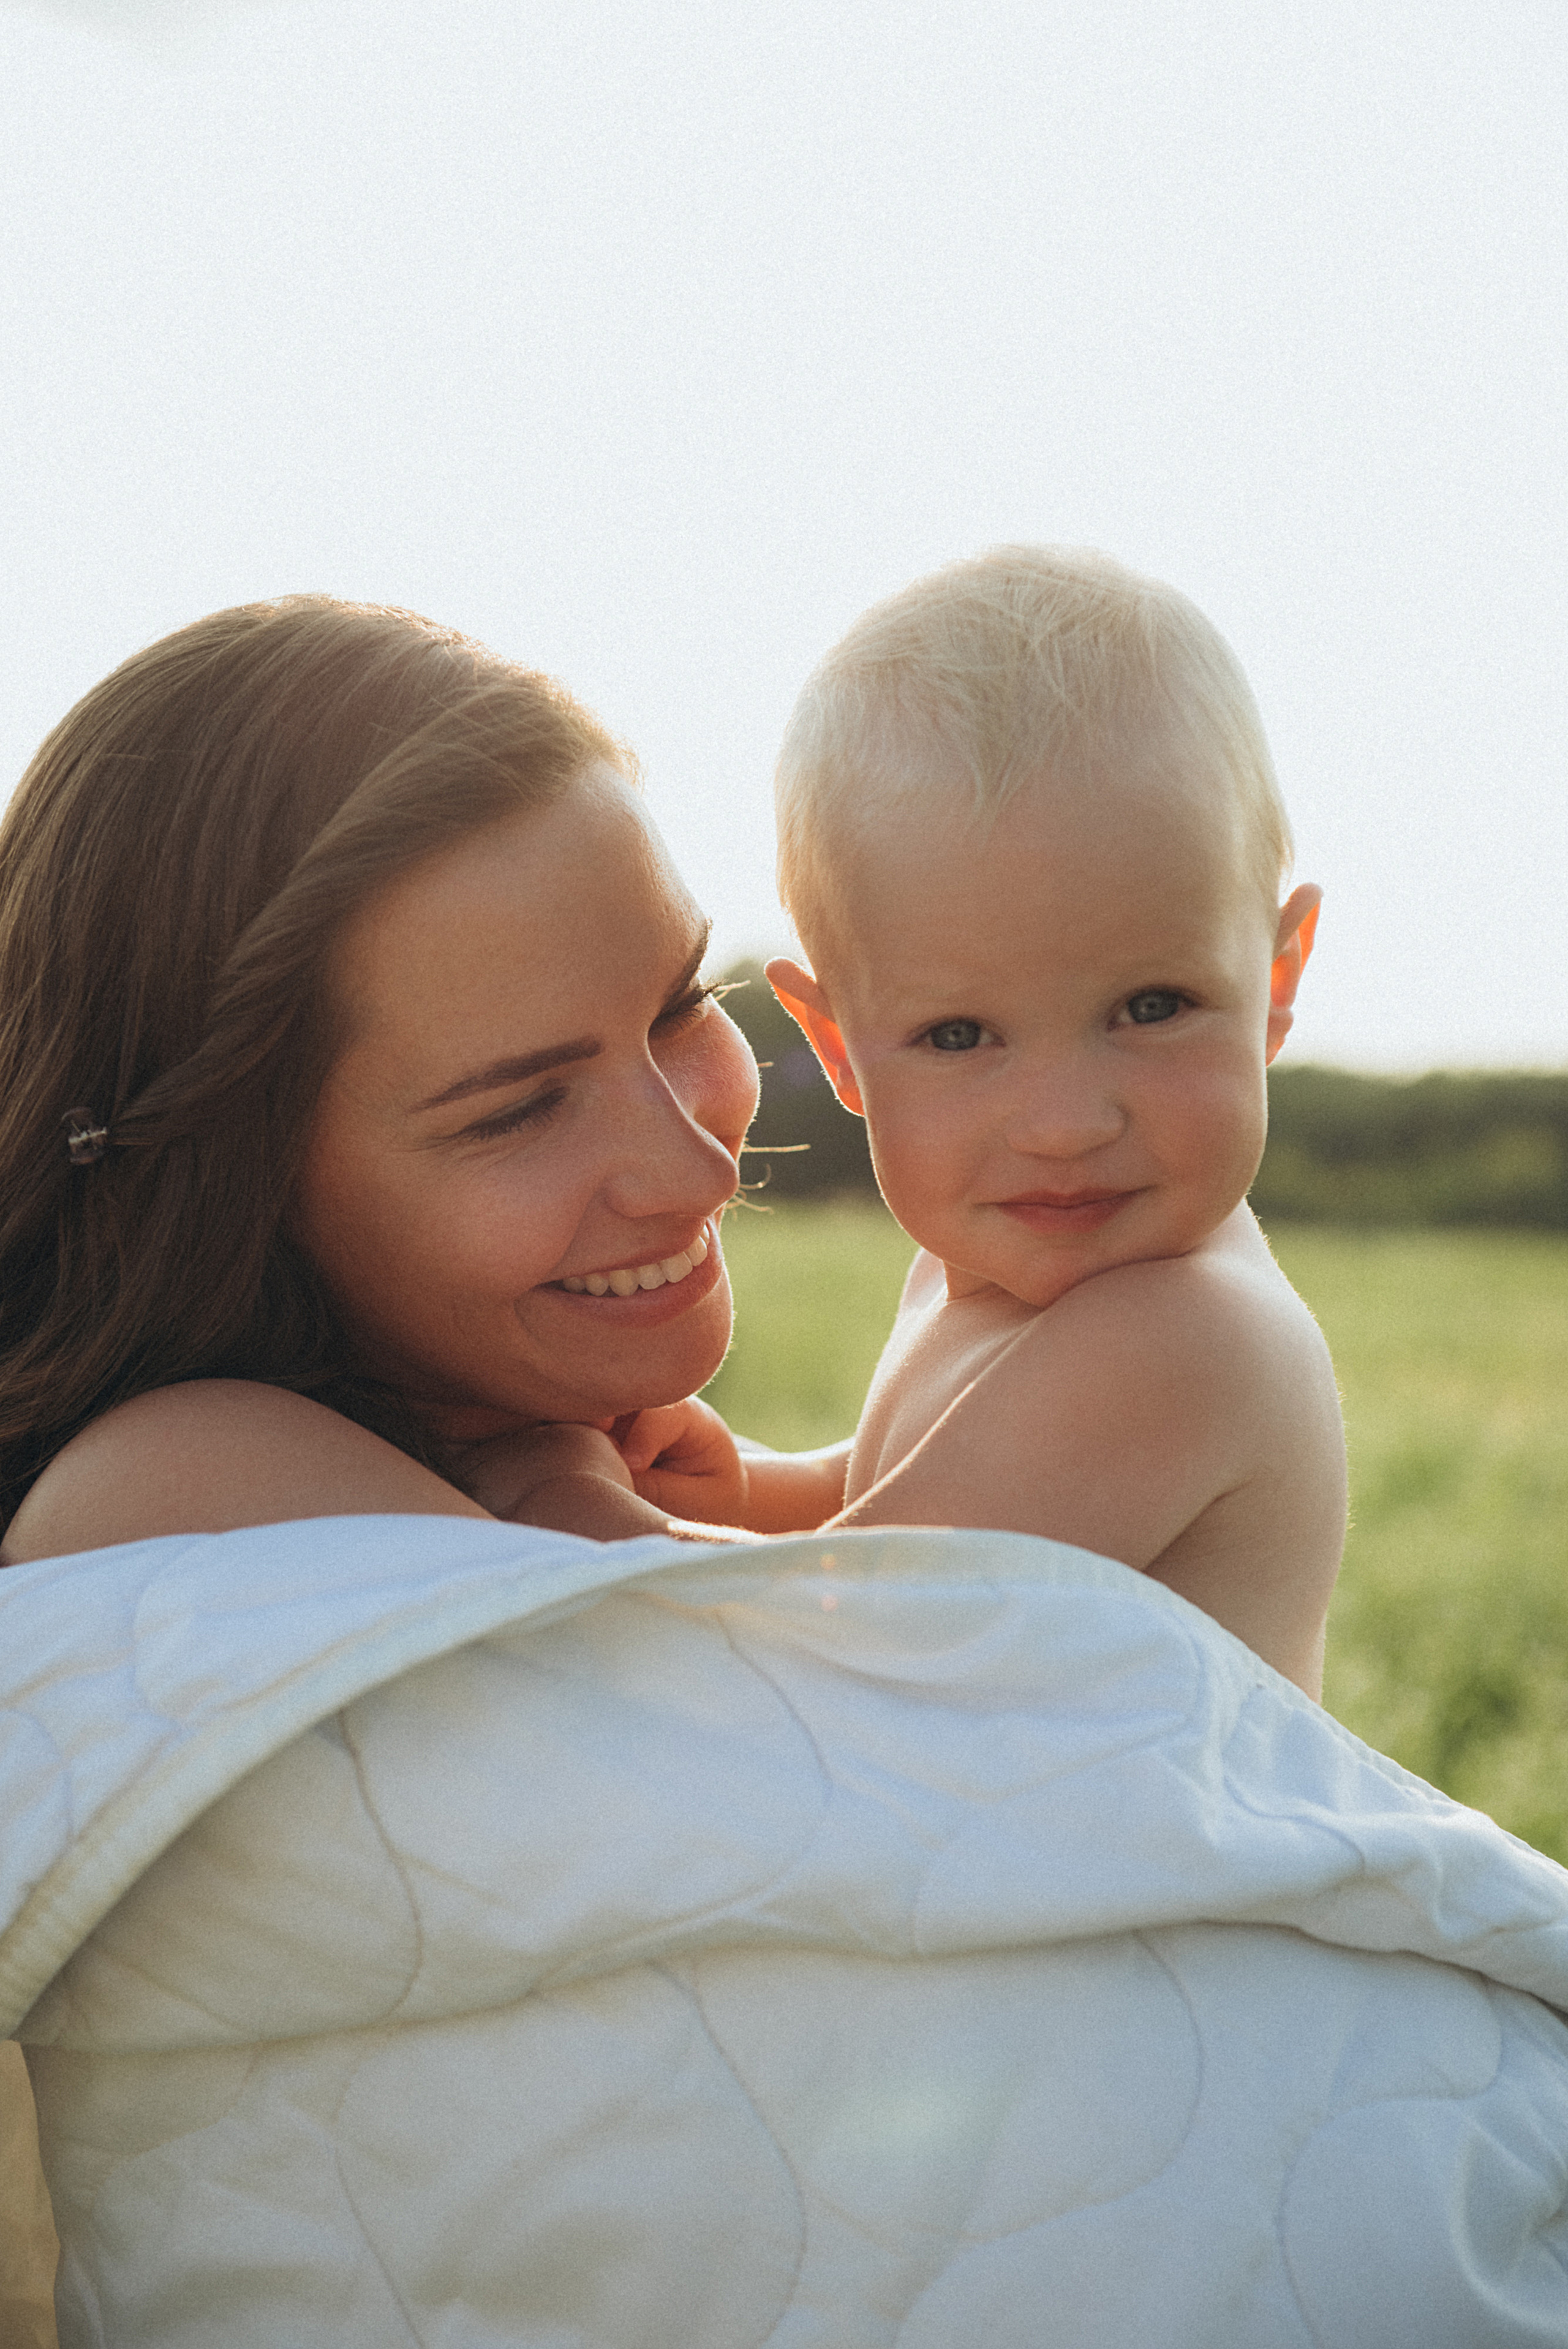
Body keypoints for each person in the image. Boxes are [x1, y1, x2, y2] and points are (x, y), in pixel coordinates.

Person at [524, 549, 1349, 1699]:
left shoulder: (1179, 1338)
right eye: (961, 1036)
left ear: (1275, 975)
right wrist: (760, 1490)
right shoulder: (990, 1271)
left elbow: (854, 1621)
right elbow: (905, 1501)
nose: (1062, 1125)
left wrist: (571, 1512)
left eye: (1150, 1008)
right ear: (838, 1047)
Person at [0, 594, 760, 1568]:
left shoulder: (535, 1439)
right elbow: (784, 1690)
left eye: (682, 1004)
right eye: (519, 1110)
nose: (702, 1175)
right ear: (236, 1187)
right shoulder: (172, 1480)